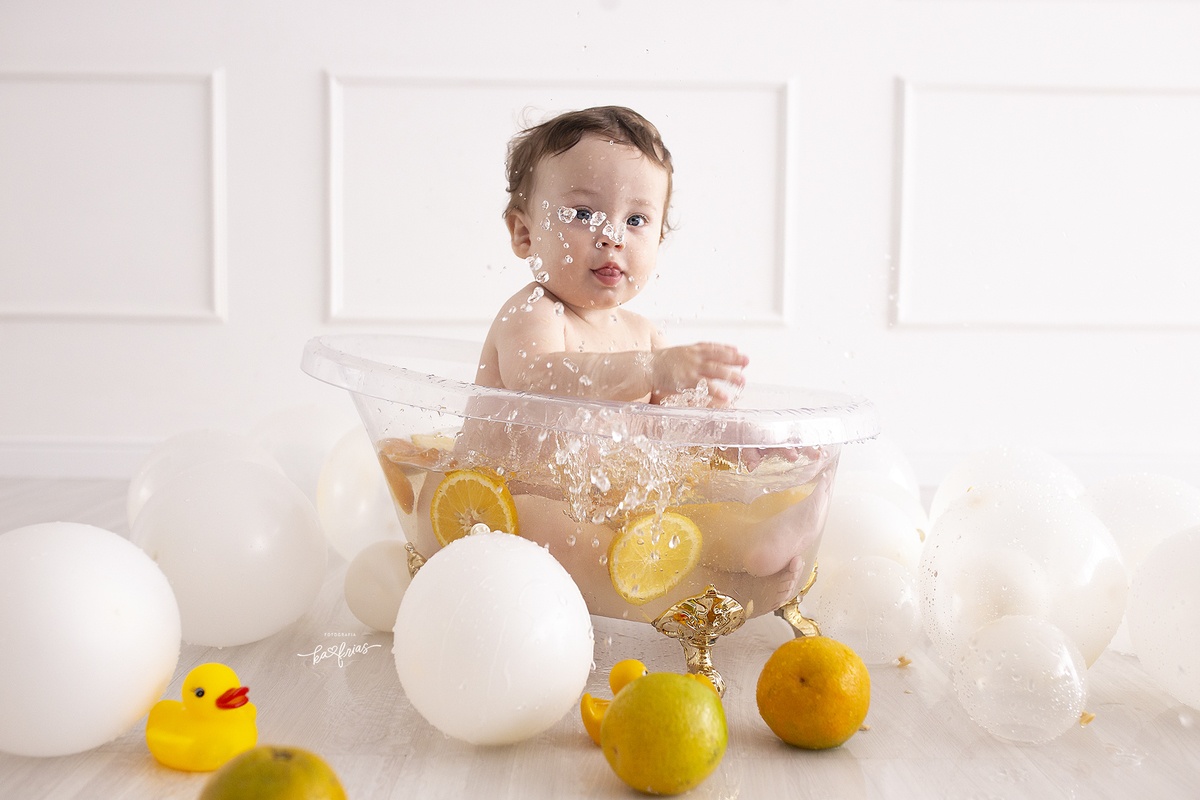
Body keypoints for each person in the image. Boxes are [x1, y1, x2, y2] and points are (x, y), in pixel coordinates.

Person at [475, 106, 749, 406]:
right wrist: (649, 371)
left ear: (659, 239)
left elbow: (674, 428)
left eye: (634, 220)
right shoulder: (533, 313)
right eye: (583, 214)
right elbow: (536, 379)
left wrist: (733, 436)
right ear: (525, 234)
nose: (613, 237)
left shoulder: (645, 337)